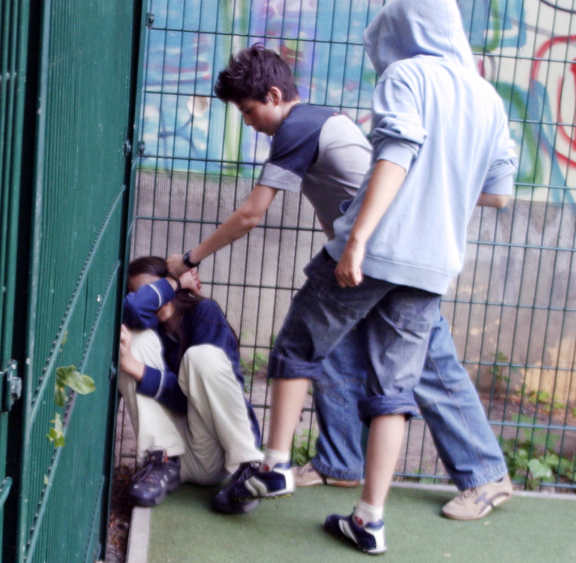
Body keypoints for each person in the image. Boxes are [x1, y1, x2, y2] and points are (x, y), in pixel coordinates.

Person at [170, 0, 517, 552]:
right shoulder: (486, 97)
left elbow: (396, 153)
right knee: (391, 386)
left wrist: (357, 240)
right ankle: (366, 513)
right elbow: (498, 191)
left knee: (303, 349)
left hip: (378, 244)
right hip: (434, 260)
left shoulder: (407, 75)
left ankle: (279, 464)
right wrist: (439, 187)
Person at [118, 256, 264, 512]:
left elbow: (191, 398)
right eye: (141, 294)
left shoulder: (204, 313)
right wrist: (133, 363)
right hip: (177, 459)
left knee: (199, 357)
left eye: (154, 288)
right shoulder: (151, 330)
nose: (152, 300)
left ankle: (250, 469)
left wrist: (139, 370)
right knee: (132, 344)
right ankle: (160, 461)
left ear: (173, 287)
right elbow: (131, 309)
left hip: (216, 451)